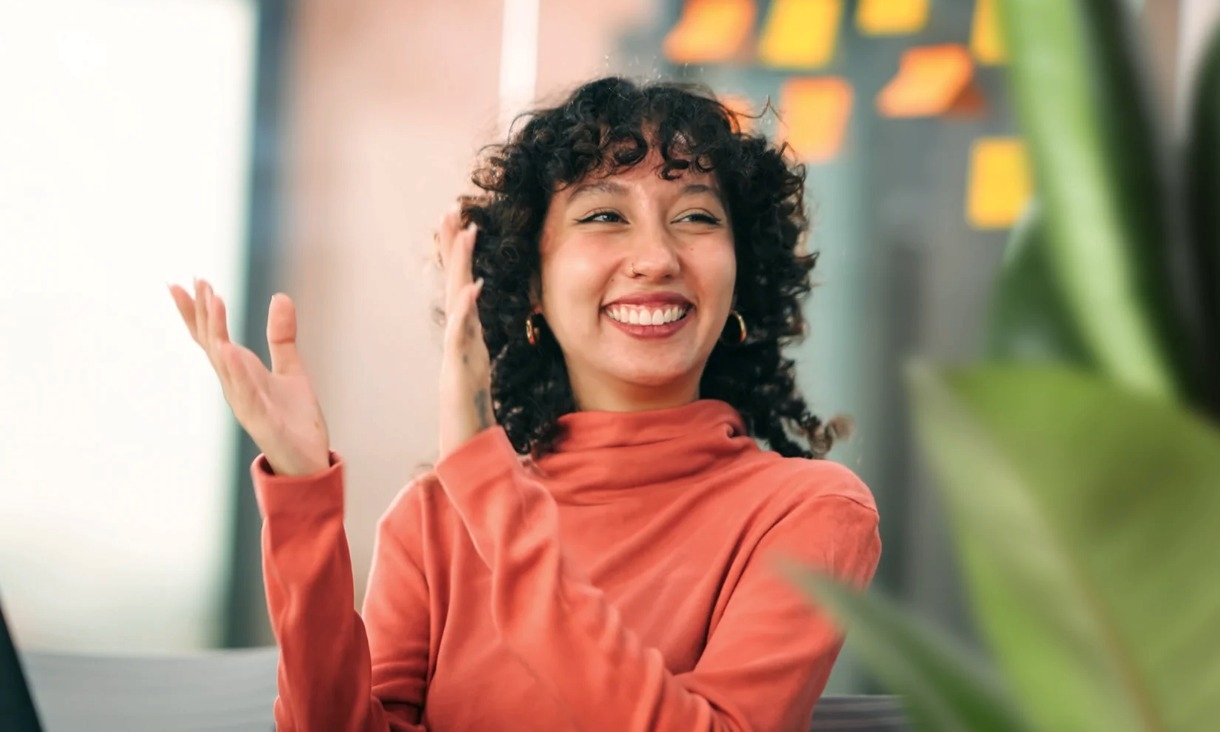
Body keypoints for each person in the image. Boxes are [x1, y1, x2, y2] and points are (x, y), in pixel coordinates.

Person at [169, 77, 881, 732]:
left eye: (695, 217)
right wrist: (302, 500)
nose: (657, 257)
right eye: (604, 215)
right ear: (532, 287)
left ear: (740, 276)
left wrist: (487, 484)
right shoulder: (437, 519)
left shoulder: (810, 512)